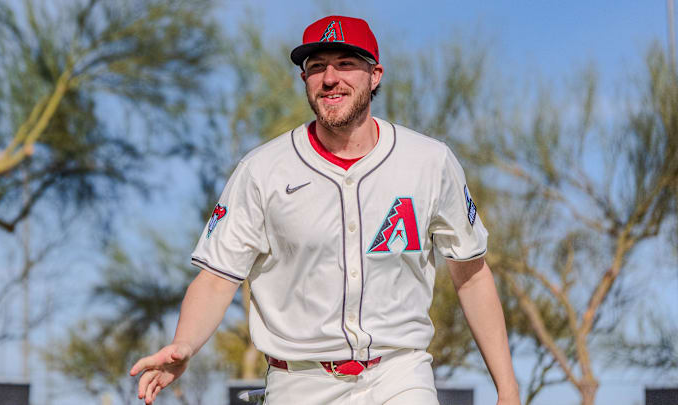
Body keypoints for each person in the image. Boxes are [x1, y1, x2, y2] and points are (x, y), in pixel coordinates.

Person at [130, 15, 521, 405]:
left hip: (399, 374)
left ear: (375, 75)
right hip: (298, 381)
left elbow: (470, 273)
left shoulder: (430, 162)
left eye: (346, 63)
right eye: (316, 67)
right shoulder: (262, 169)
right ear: (305, 80)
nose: (330, 78)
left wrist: (507, 389)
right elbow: (217, 278)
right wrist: (184, 344)